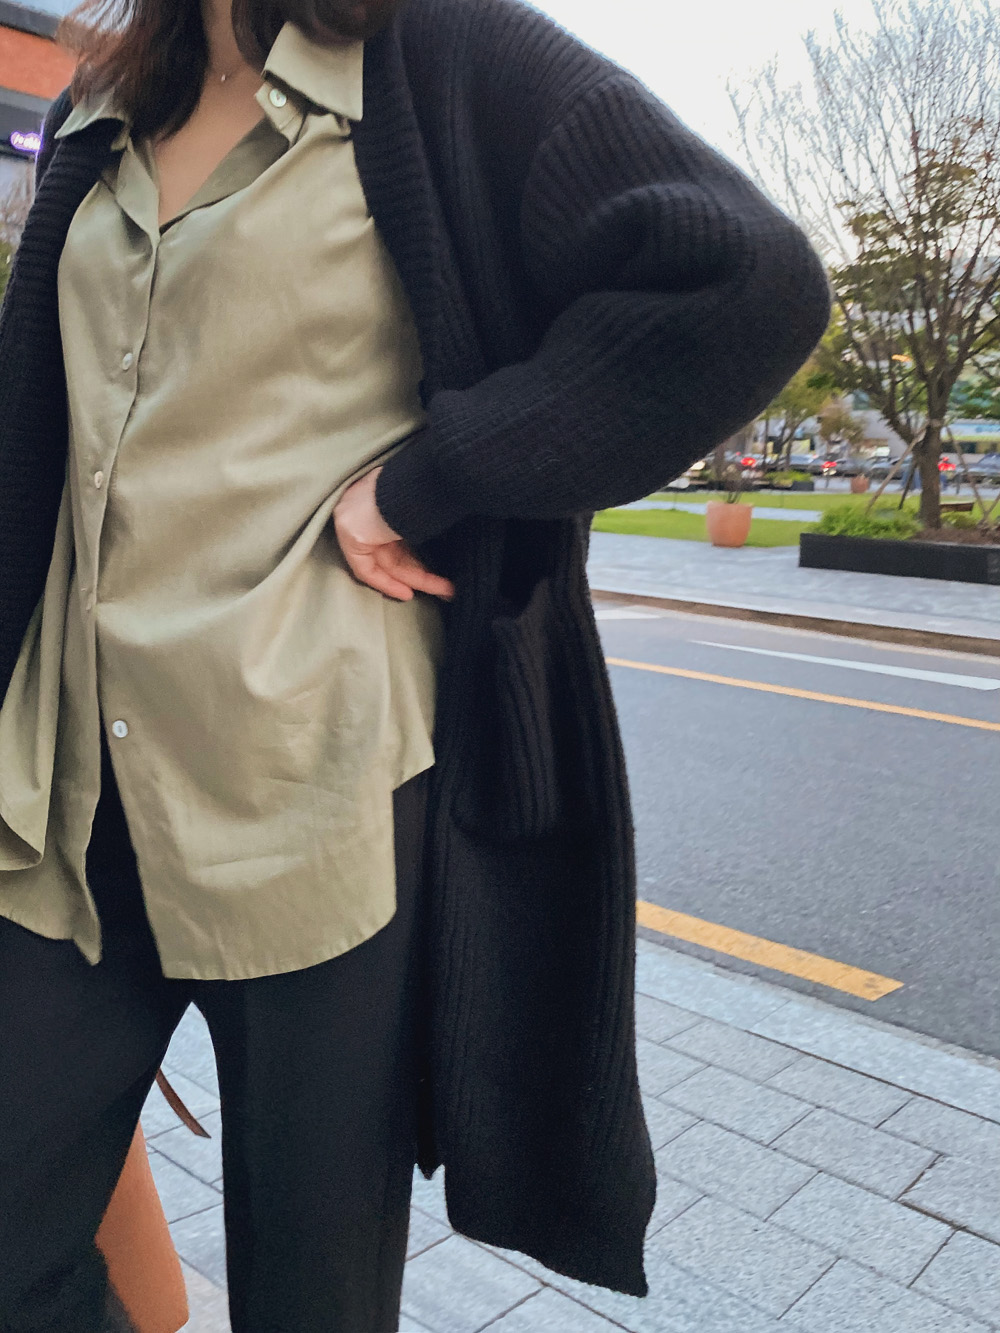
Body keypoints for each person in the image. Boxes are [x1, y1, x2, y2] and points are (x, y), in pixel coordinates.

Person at [0, 0, 831, 1328]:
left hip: (316, 794)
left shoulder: (439, 55)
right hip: (70, 793)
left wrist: (429, 479)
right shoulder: (102, 104)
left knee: (314, 1298)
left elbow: (745, 279)